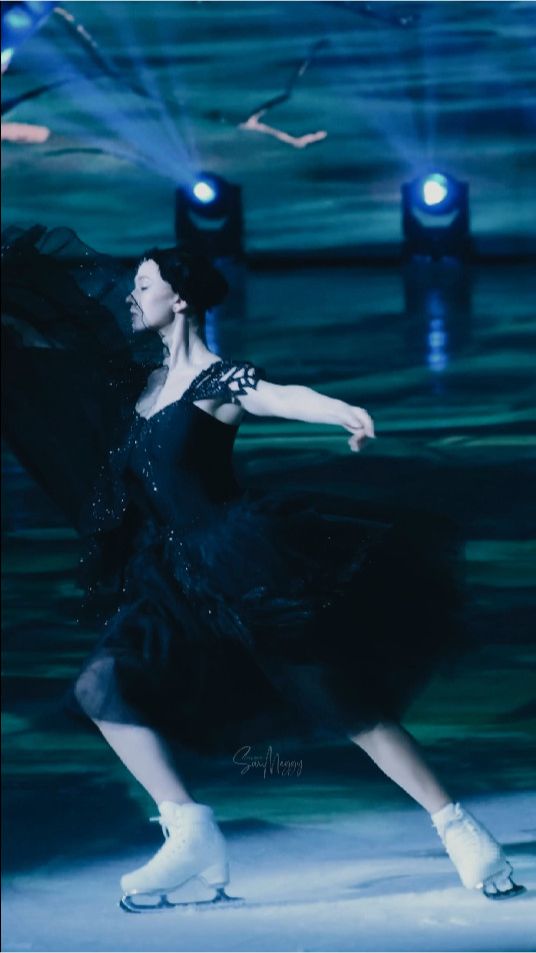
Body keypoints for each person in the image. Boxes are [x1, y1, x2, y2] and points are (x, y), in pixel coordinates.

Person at [1, 226, 524, 911]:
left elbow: (279, 394)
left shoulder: (217, 381)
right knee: (101, 686)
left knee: (340, 701)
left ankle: (456, 825)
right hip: (168, 577)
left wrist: (339, 410)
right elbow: (54, 356)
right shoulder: (139, 384)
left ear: (179, 299)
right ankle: (189, 828)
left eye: (144, 285)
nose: (130, 296)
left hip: (238, 566)